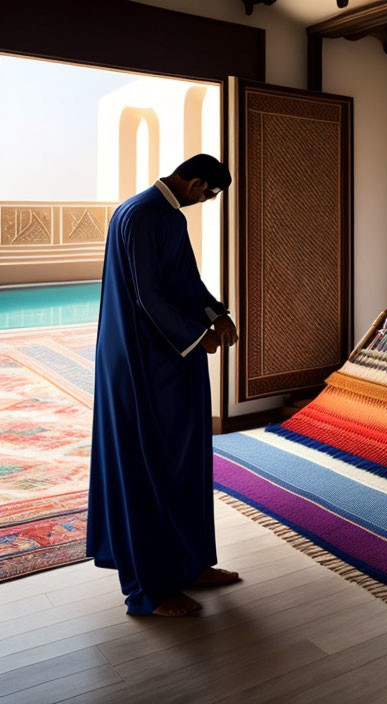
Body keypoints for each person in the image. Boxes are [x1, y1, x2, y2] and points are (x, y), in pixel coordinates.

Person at [87, 154, 240, 617]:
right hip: (141, 363)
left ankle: (189, 564)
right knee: (147, 466)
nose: (205, 202)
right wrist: (199, 336)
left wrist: (217, 314)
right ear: (197, 183)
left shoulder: (165, 216)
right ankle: (149, 591)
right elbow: (147, 295)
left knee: (184, 461)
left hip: (173, 360)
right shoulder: (140, 214)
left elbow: (184, 281)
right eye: (209, 195)